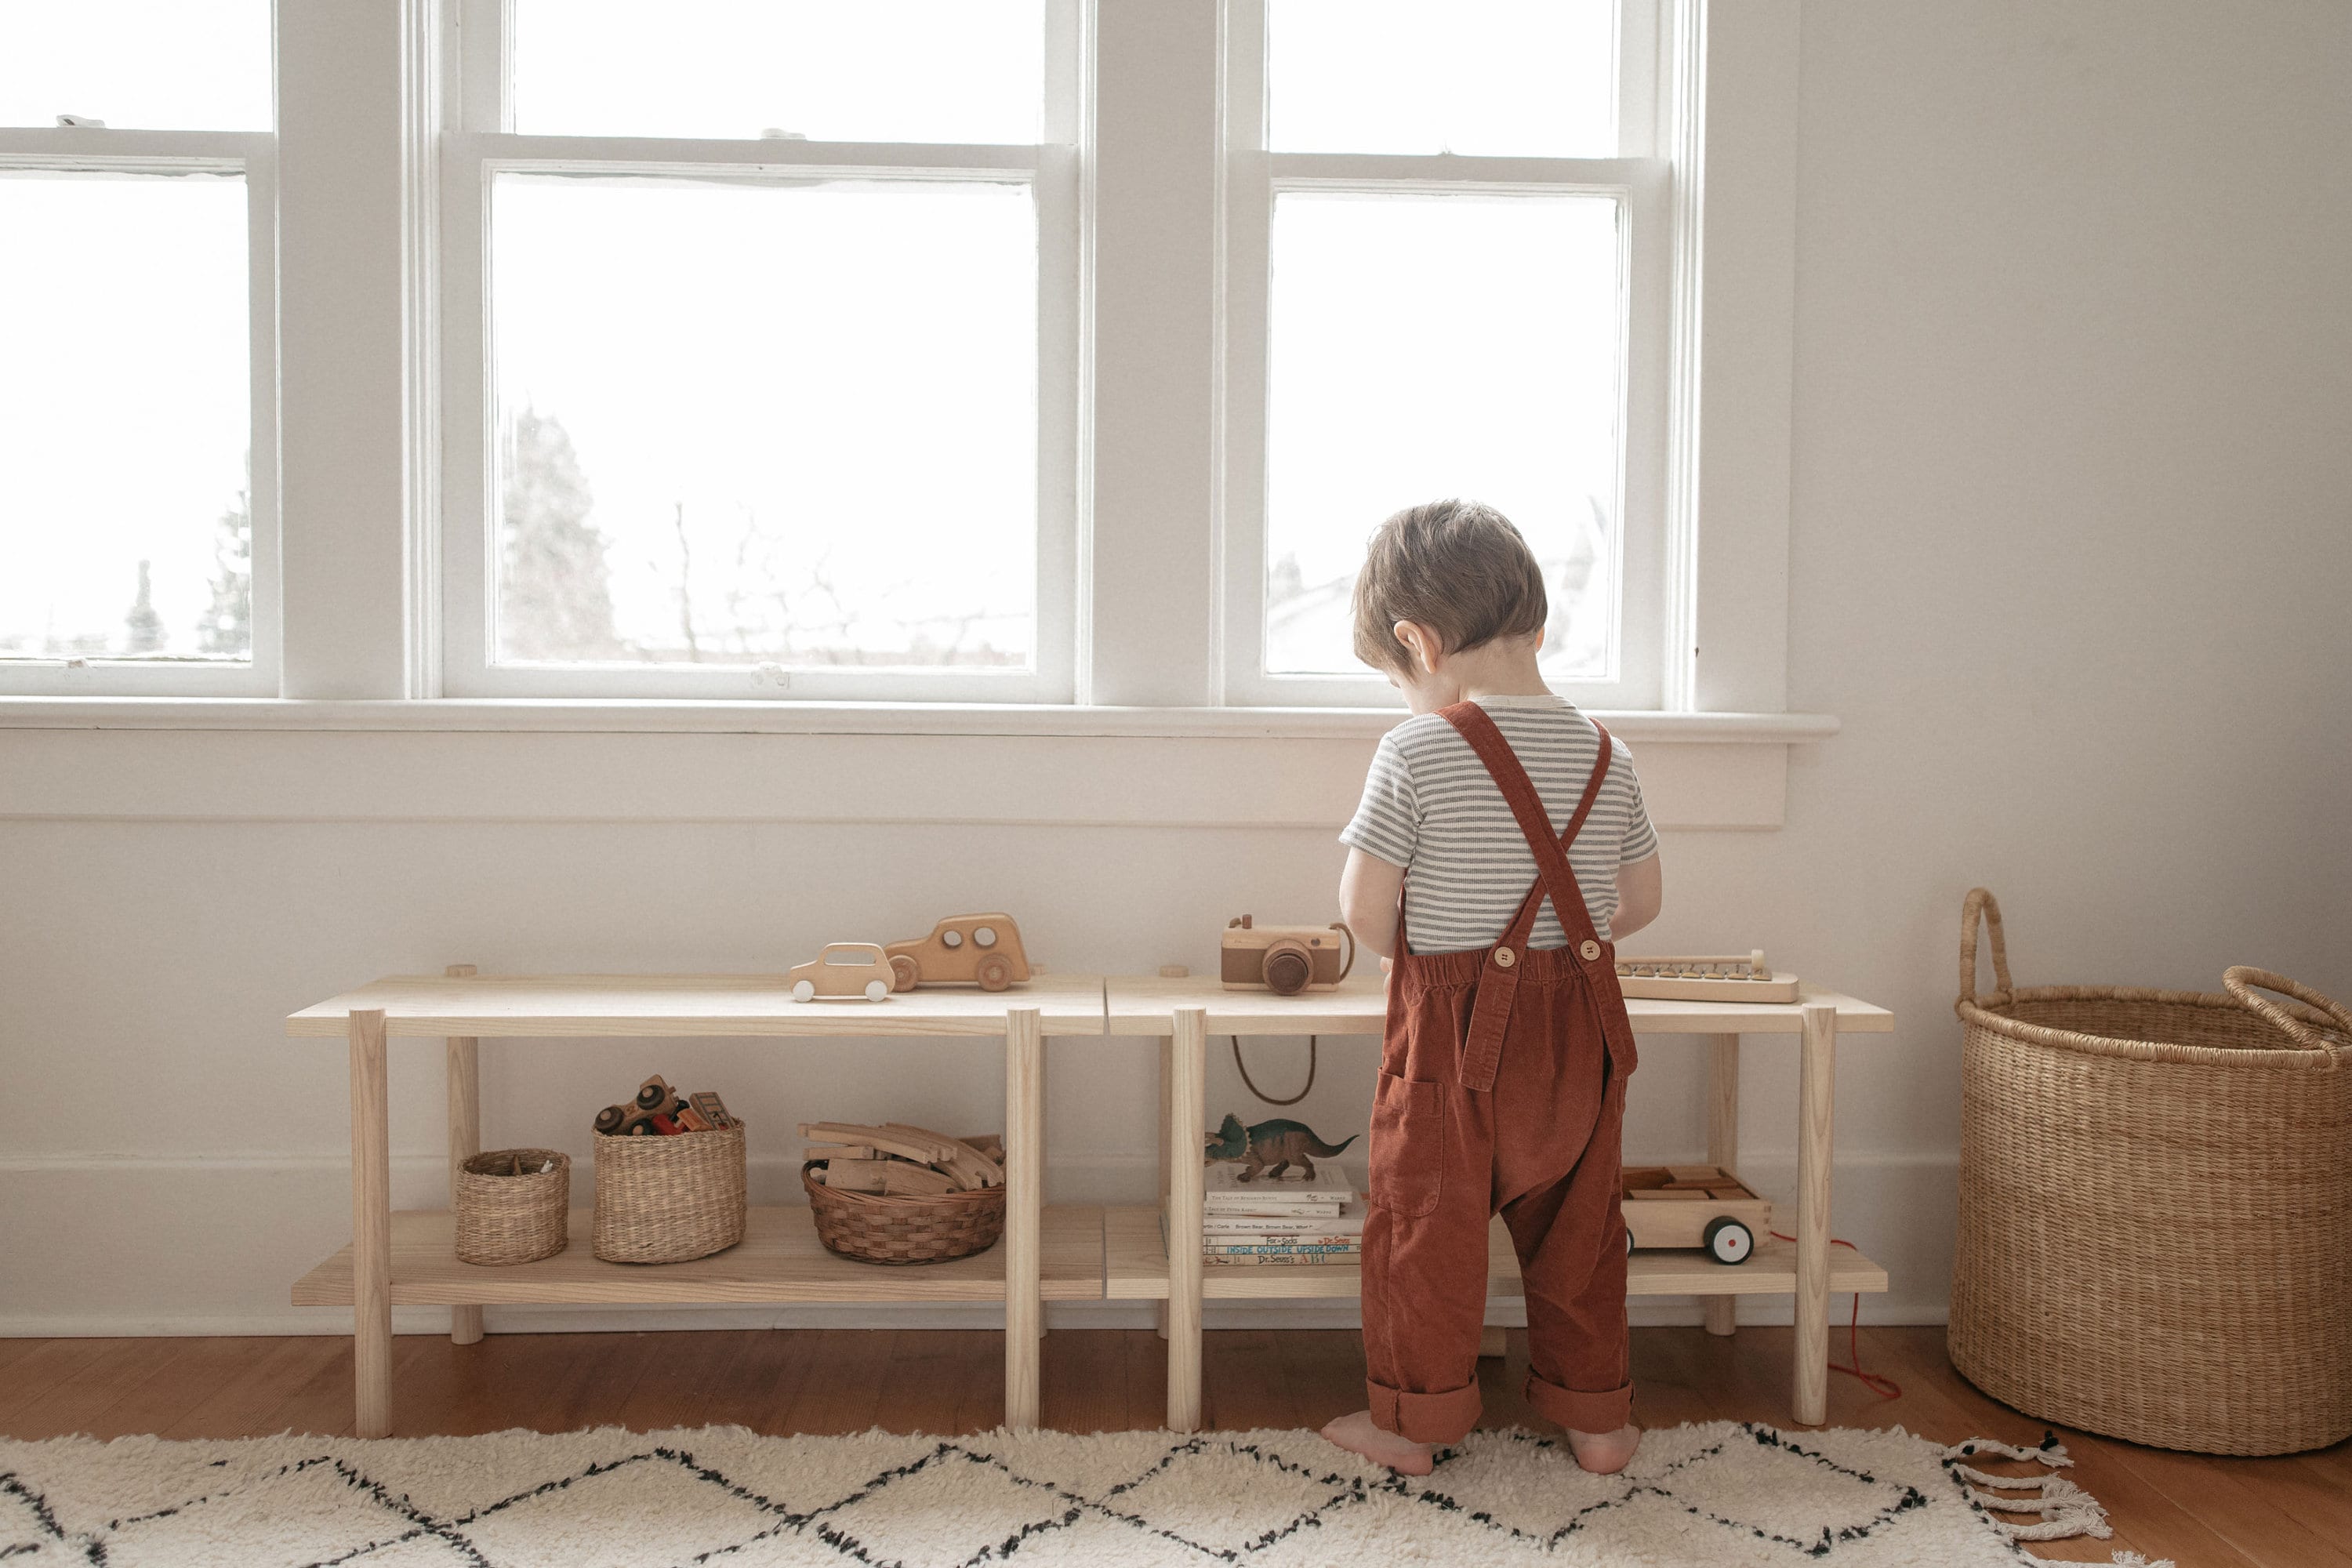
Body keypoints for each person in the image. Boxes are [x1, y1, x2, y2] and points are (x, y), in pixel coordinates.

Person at [1319, 499, 1663, 1478]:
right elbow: (1639, 899)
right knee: (1583, 1235)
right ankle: (1598, 1421)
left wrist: (1428, 950)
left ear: (1417, 644)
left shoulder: (1416, 751)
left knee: (1424, 1232)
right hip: (1581, 1040)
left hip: (1452, 1045)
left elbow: (1366, 912)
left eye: (1398, 679)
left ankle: (1411, 1425)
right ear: (1538, 626)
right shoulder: (1609, 751)